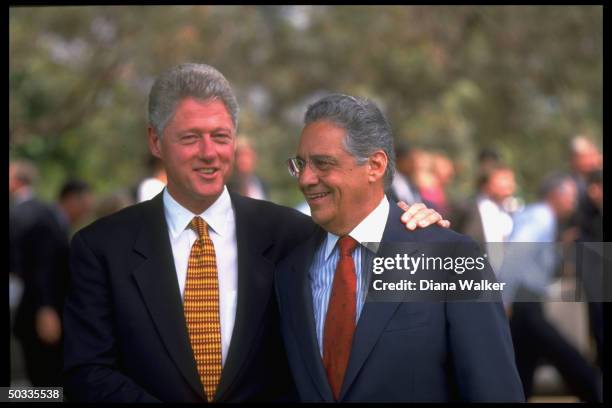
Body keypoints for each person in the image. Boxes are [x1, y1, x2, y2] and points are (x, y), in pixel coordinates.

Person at [62, 63, 449, 403]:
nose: (209, 152)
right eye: (190, 137)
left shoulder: (294, 235)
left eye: (221, 136)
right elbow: (87, 372)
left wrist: (415, 228)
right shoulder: (100, 248)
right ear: (155, 140)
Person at [275, 94, 524, 402]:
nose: (306, 179)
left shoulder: (450, 257)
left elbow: (494, 391)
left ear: (375, 166)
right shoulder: (288, 264)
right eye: (300, 164)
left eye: (323, 164)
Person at [499, 173, 602, 402]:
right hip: (524, 299)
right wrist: (503, 299)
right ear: (556, 195)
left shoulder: (539, 216)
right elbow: (517, 253)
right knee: (561, 351)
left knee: (524, 359)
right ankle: (594, 390)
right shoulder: (541, 218)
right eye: (570, 197)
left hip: (526, 299)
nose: (573, 204)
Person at [10, 167, 93, 387]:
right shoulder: (46, 223)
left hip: (46, 316)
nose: (86, 211)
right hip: (40, 319)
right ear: (72, 200)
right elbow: (40, 270)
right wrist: (45, 308)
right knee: (44, 385)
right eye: (84, 205)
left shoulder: (56, 223)